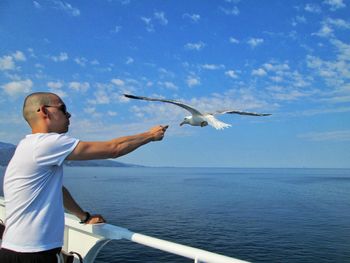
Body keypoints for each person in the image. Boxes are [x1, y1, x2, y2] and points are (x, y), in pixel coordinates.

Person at [0, 92, 168, 262]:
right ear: (44, 111)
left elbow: (57, 190)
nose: (69, 114)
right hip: (31, 254)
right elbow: (114, 148)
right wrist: (150, 135)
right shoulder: (46, 143)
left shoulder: (28, 145)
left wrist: (84, 217)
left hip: (16, 249)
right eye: (63, 109)